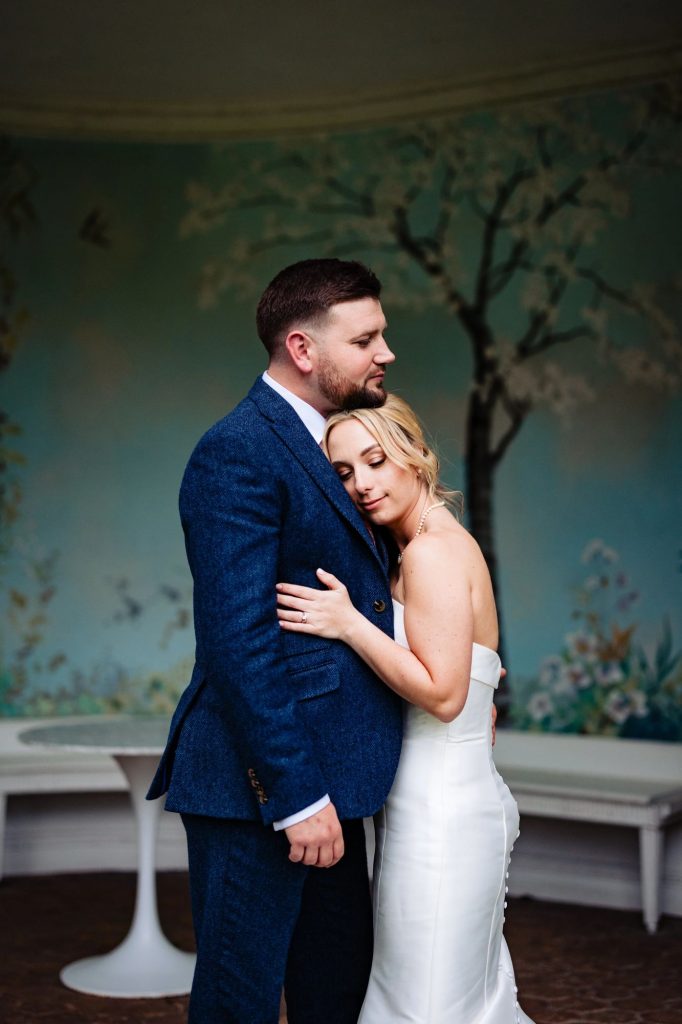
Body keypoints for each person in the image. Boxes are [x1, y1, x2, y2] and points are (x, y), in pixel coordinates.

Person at [147, 258, 405, 1024]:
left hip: (338, 780)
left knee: (336, 993)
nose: (385, 353)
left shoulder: (342, 444)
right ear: (302, 348)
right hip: (262, 789)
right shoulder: (238, 450)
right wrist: (295, 798)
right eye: (366, 339)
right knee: (239, 1001)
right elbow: (240, 642)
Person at [276, 393, 534, 1024]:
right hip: (422, 804)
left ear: (416, 457)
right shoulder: (409, 550)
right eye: (343, 472)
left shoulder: (433, 552)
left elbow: (444, 696)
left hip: (444, 815)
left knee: (425, 1006)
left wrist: (347, 624)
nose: (361, 484)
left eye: (376, 461)